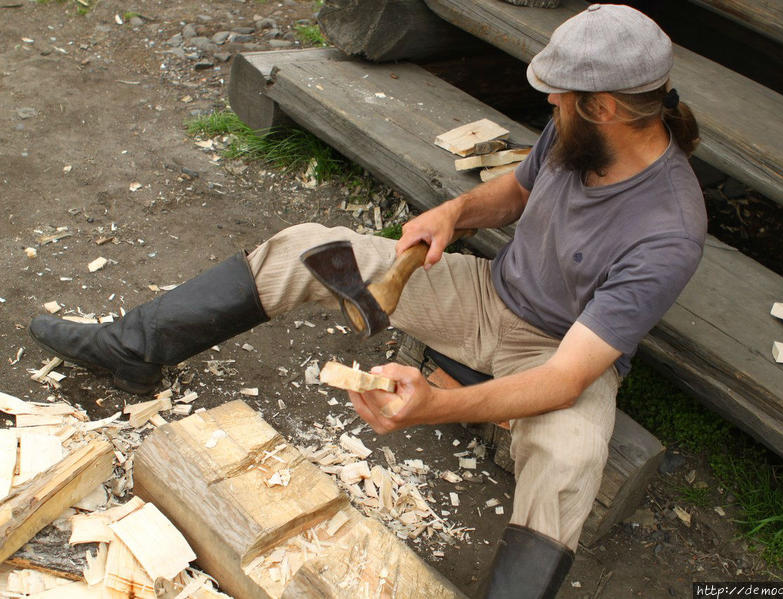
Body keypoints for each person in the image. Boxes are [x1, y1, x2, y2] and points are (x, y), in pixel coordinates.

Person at [29, 5, 705, 598]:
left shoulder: (667, 229)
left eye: (560, 99)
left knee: (569, 461)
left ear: (605, 106)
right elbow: (519, 192)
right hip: (486, 293)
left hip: (560, 348)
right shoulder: (576, 130)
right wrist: (451, 213)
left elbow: (564, 378)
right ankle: (135, 348)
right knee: (307, 247)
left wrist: (436, 405)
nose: (550, 108)